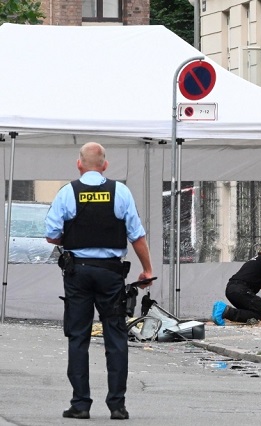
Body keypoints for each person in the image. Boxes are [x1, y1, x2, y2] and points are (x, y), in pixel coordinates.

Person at [45, 142, 154, 420]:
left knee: (78, 336)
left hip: (78, 273)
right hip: (110, 273)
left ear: (79, 164)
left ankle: (80, 404)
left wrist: (72, 236)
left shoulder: (67, 192)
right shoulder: (121, 192)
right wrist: (146, 269)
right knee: (115, 336)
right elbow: (136, 235)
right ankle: (117, 405)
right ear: (105, 165)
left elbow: (51, 234)